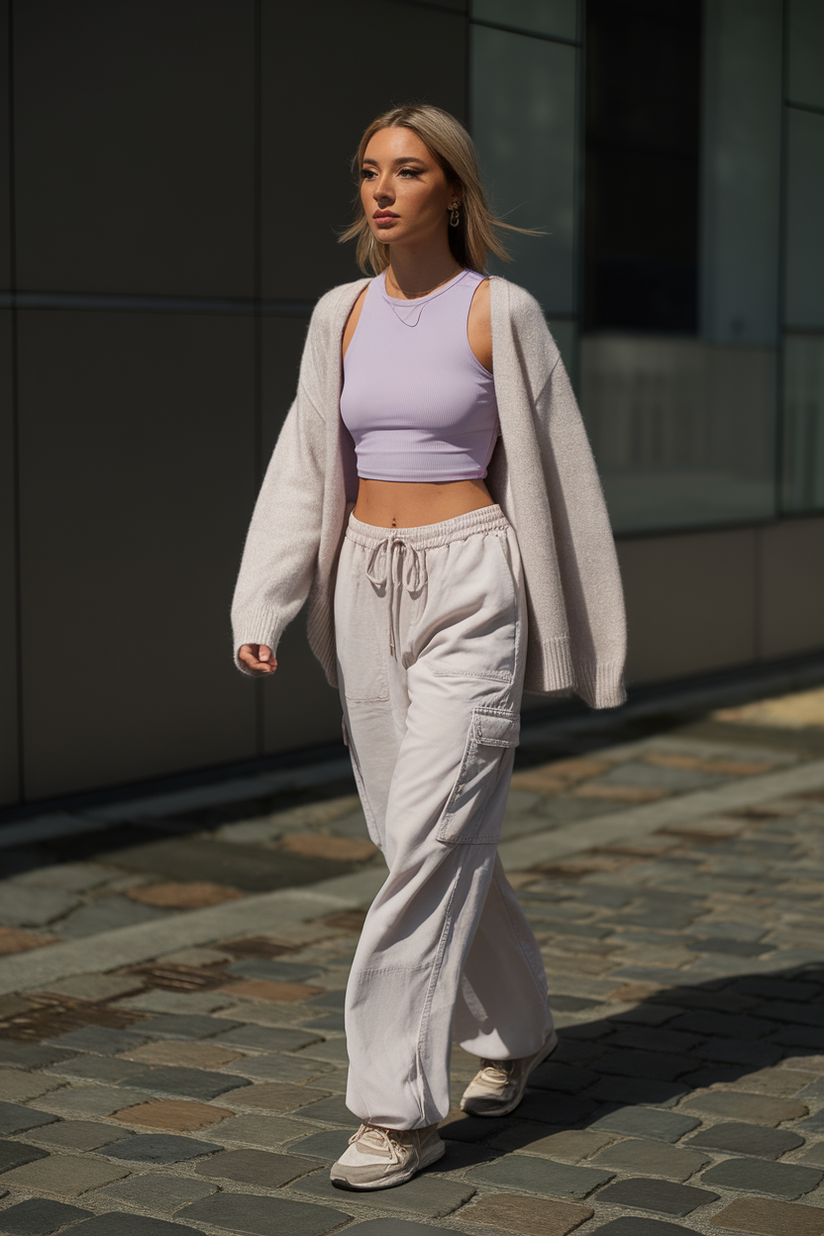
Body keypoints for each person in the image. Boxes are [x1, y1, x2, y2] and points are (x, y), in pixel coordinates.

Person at [231, 103, 626, 1191]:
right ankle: (519, 1029)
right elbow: (305, 463)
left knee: (429, 838)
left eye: (407, 171)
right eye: (368, 170)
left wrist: (587, 632)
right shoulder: (338, 315)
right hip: (362, 586)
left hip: (469, 583)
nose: (382, 189)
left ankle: (392, 1111)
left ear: (451, 190)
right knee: (419, 838)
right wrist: (261, 605)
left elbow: (564, 477)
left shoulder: (500, 312)